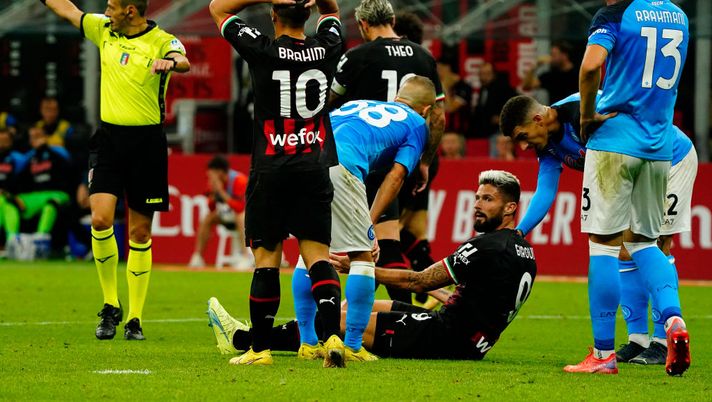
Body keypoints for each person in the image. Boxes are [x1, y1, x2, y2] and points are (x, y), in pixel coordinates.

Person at [208, 170, 537, 360]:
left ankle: (243, 338)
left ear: (510, 208)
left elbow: (417, 281)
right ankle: (264, 335)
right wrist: (443, 297)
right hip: (465, 335)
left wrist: (358, 268)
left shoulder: (487, 246)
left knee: (344, 319)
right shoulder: (524, 252)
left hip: (445, 337)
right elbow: (481, 300)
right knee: (365, 306)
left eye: (487, 200)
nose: (477, 205)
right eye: (477, 197)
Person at [500, 93, 697, 366]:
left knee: (657, 242)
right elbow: (545, 190)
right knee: (626, 250)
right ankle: (638, 338)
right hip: (632, 168)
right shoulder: (547, 147)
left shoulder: (583, 106)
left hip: (670, 159)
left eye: (522, 136)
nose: (522, 146)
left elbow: (631, 113)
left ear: (538, 119)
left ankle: (663, 342)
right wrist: (520, 231)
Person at [43, 0, 190, 341]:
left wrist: (168, 63)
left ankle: (135, 318)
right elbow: (66, 9)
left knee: (139, 234)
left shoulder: (162, 40)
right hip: (109, 140)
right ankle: (110, 305)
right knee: (100, 219)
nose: (105, 12)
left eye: (111, 7)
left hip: (147, 145)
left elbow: (183, 61)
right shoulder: (103, 30)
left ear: (130, 11)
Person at [209, 0, 345, 367]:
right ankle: (332, 338)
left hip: (271, 168)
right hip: (314, 166)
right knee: (317, 255)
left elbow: (218, 9)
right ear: (307, 13)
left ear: (272, 16)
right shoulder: (328, 45)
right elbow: (333, 13)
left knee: (267, 258)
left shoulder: (263, 48)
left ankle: (260, 349)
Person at [574, 0, 689, 375]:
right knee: (644, 242)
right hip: (659, 144)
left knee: (603, 245)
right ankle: (672, 319)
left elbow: (592, 66)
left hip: (615, 141)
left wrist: (587, 114)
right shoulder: (678, 14)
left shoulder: (615, 14)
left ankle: (603, 354)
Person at [329, 0, 445, 304]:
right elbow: (439, 115)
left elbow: (328, 104)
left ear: (364, 25)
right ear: (392, 18)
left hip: (359, 159)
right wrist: (426, 162)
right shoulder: (423, 57)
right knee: (393, 242)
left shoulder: (354, 58)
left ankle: (384, 318)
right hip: (407, 154)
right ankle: (410, 305)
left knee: (358, 248)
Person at [4, 128, 73, 260]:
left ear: (45, 136)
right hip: (36, 196)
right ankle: (12, 242)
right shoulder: (29, 158)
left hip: (58, 193)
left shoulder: (58, 152)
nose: (35, 139)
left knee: (50, 204)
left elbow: (69, 171)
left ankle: (40, 241)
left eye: (38, 135)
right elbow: (20, 179)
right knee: (9, 202)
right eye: (32, 137)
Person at [188, 156, 251, 269]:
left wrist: (221, 192)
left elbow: (240, 207)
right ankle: (197, 256)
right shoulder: (213, 183)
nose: (208, 175)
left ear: (220, 172)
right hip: (227, 215)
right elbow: (211, 208)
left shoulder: (239, 180)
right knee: (207, 218)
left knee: (240, 217)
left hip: (247, 217)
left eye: (211, 172)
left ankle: (246, 257)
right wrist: (213, 194)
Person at [471, 62, 517, 140]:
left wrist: (502, 118)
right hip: (483, 130)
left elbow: (517, 105)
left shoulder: (504, 88)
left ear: (494, 75)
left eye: (487, 74)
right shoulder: (483, 89)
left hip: (498, 131)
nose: (484, 77)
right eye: (481, 74)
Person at [0, 127, 27, 253]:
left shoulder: (18, 159)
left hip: (13, 197)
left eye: (5, 141)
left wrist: (12, 196)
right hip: (7, 198)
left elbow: (23, 182)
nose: (2, 144)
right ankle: (11, 242)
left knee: (6, 204)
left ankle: (11, 243)